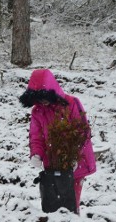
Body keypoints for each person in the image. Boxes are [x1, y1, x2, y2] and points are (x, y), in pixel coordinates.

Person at [19, 69, 97, 213]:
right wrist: (36, 153)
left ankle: (73, 220)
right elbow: (36, 136)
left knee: (71, 199)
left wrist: (75, 156)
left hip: (75, 160)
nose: (43, 101)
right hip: (53, 162)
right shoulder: (38, 111)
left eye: (45, 96)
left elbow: (82, 131)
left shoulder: (72, 103)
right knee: (54, 200)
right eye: (38, 97)